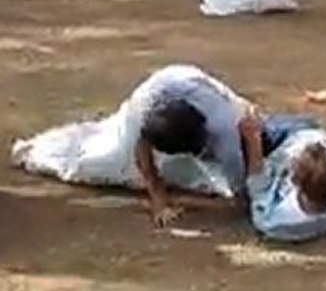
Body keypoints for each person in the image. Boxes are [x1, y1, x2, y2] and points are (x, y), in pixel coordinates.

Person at [11, 64, 251, 227]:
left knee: (218, 175)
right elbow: (142, 152)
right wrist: (159, 200)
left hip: (197, 87)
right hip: (157, 93)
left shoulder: (225, 126)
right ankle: (35, 151)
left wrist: (243, 200)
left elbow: (241, 193)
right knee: (99, 162)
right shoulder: (145, 114)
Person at [241, 89, 326, 242]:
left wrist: (253, 137)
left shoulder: (275, 219)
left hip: (285, 140)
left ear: (294, 182)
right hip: (305, 132)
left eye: (296, 162)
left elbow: (256, 183)